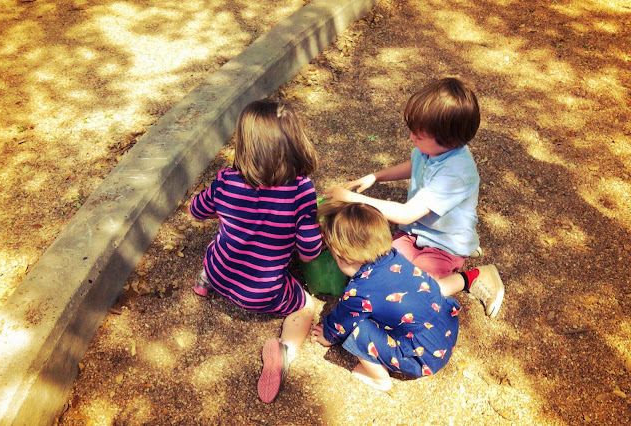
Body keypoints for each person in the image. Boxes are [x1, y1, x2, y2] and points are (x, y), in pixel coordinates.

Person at [326, 77, 504, 318]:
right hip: (414, 234)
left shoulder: (456, 173)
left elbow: (406, 213)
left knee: (417, 293)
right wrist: (375, 177)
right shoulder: (429, 149)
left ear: (449, 141)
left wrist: (351, 198)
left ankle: (473, 277)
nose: (411, 138)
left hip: (443, 246)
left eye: (418, 136)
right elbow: (413, 165)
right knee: (378, 273)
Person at [190, 99, 322, 403]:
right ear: (295, 143)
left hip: (219, 272)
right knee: (306, 306)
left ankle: (204, 282)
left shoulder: (226, 180)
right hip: (260, 293)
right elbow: (309, 252)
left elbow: (197, 211)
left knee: (219, 242)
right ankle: (284, 352)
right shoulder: (301, 189)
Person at [311, 200, 462, 391]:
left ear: (344, 258)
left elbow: (341, 321)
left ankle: (380, 379)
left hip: (422, 357)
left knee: (358, 330)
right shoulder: (394, 256)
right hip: (444, 333)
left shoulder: (359, 291)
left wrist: (327, 335)